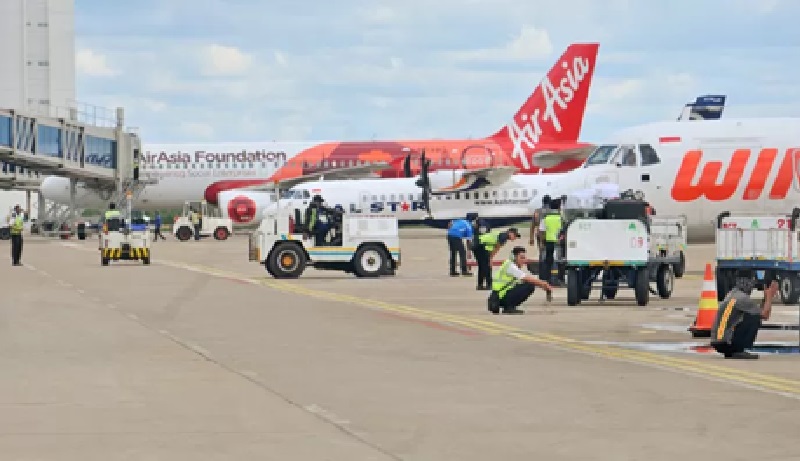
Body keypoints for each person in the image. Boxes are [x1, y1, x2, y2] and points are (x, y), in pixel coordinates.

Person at [710, 272, 776, 360]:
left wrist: (765, 296)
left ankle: (733, 350)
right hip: (725, 342)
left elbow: (759, 310)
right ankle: (738, 350)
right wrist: (769, 296)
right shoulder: (742, 298)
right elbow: (765, 315)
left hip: (718, 341)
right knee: (754, 318)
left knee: (752, 314)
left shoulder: (732, 293)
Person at [488, 246, 554, 314]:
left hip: (499, 295)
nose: (524, 260)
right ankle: (509, 307)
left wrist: (541, 285)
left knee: (526, 284)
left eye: (524, 258)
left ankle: (508, 306)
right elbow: (526, 278)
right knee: (529, 286)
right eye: (521, 258)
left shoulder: (509, 264)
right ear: (514, 257)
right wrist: (544, 284)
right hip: (500, 296)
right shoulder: (511, 266)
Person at [539, 199, 563, 284]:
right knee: (559, 261)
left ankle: (548, 279)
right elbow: (563, 230)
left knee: (548, 261)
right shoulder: (561, 218)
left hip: (548, 242)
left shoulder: (546, 218)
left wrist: (541, 242)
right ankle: (558, 279)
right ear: (559, 207)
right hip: (558, 243)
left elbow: (542, 231)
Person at [530, 195, 551, 276]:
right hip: (550, 236)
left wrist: (531, 238)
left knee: (542, 254)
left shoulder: (537, 211)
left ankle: (542, 274)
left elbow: (532, 225)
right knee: (550, 254)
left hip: (539, 235)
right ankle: (549, 274)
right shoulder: (552, 211)